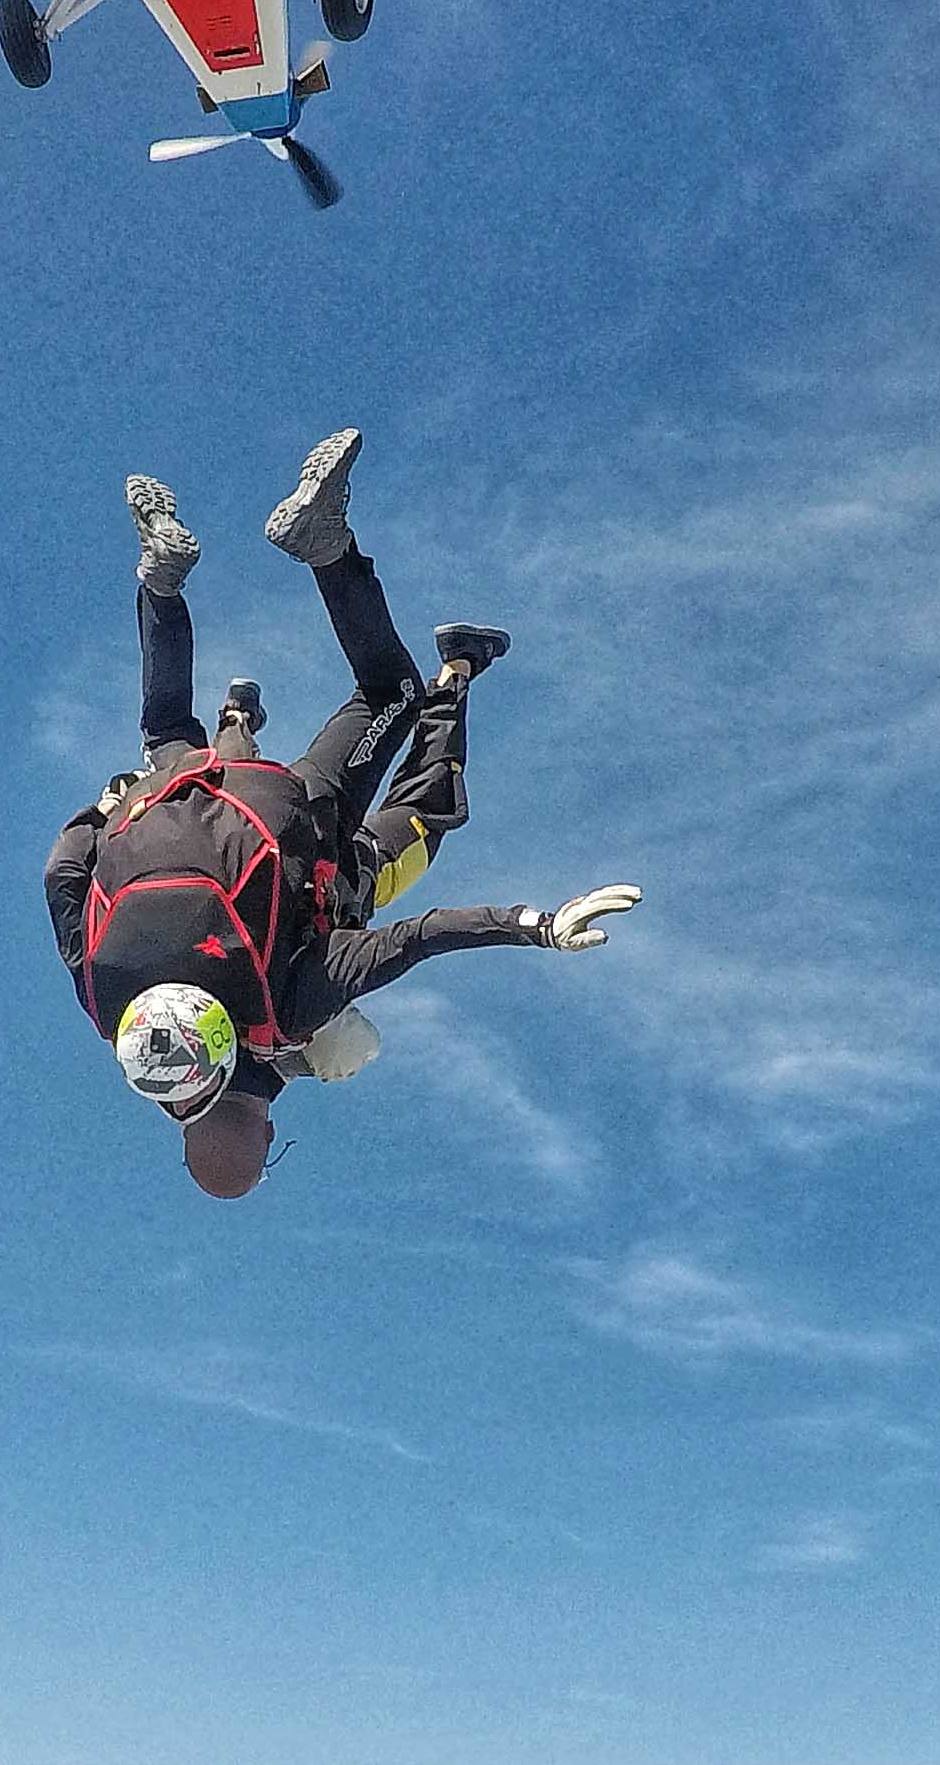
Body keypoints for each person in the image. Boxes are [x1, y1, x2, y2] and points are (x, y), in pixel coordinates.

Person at [44, 430, 641, 1198]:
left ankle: (335, 555)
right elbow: (64, 872)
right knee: (166, 733)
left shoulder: (287, 1010)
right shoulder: (108, 1002)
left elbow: (419, 938)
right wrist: (102, 811)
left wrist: (538, 925)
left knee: (395, 709)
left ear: (263, 1129)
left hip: (296, 823)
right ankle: (161, 584)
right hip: (167, 797)